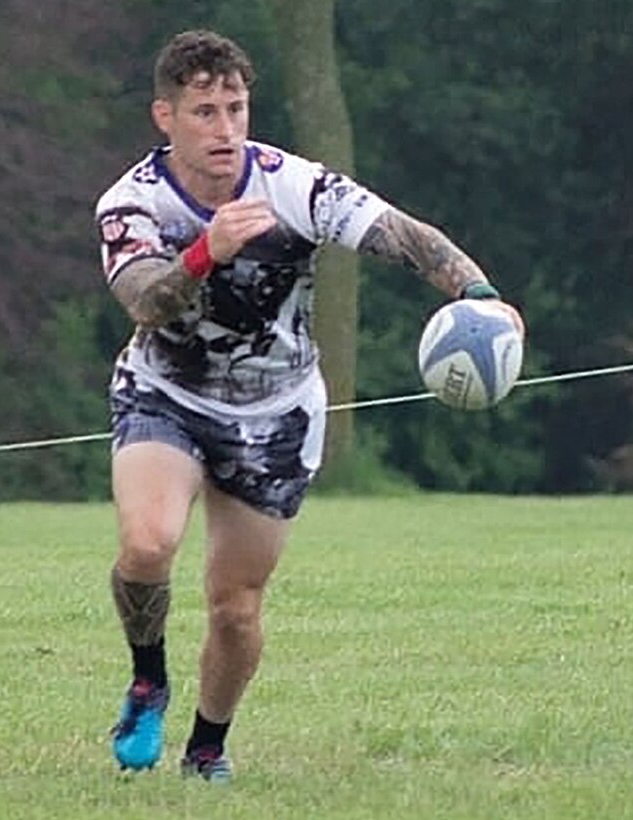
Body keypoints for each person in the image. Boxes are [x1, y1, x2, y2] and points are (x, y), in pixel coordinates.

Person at [95, 29, 523, 783]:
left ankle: (206, 751)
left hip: (277, 414)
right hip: (167, 392)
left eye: (236, 108)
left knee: (236, 608)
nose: (225, 128)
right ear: (165, 117)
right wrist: (206, 251)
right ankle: (146, 681)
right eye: (204, 112)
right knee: (149, 543)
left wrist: (481, 297)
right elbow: (145, 299)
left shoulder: (294, 185)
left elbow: (404, 236)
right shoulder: (132, 203)